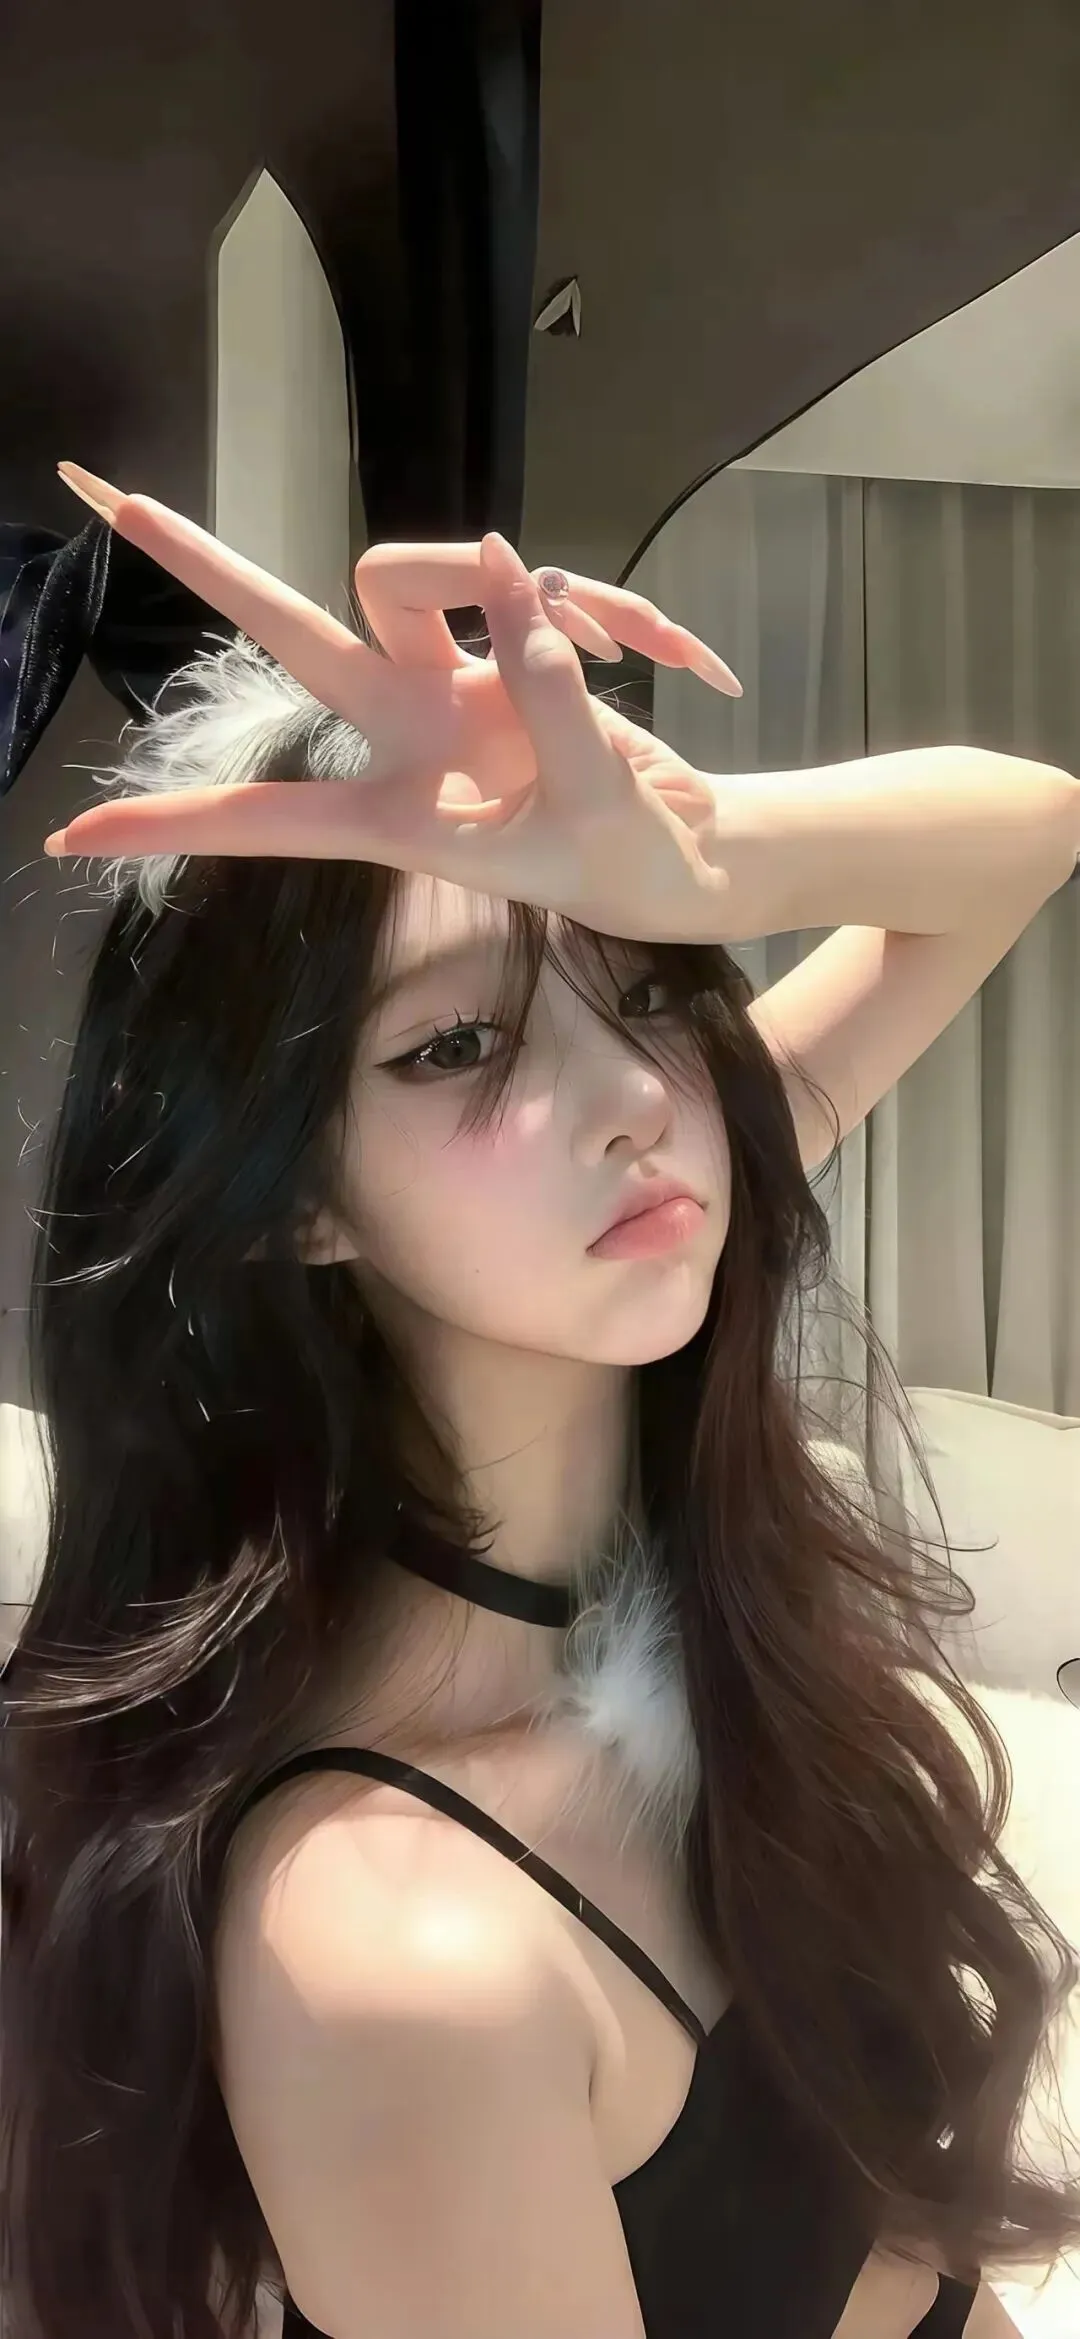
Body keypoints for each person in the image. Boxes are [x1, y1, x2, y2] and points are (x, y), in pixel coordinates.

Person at [2, 470, 1079, 2339]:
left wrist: (703, 851)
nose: (635, 1097)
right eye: (460, 1042)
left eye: (649, 986)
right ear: (298, 1196)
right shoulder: (403, 1949)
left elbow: (1027, 830)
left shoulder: (617, 1221)